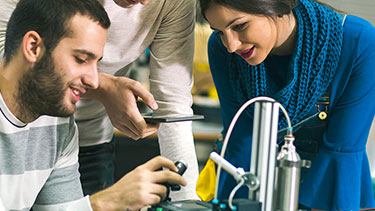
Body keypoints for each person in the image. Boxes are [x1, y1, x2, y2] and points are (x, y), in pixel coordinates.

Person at [0, 0, 199, 200]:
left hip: (77, 138)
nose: (145, 2)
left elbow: (173, 103)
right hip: (21, 126)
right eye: (80, 59)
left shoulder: (175, 3)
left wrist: (187, 201)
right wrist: (104, 89)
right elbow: (11, 54)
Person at [198, 0, 375, 210]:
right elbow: (241, 138)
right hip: (250, 181)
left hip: (327, 190)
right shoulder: (221, 50)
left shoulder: (358, 42)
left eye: (240, 26)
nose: (231, 45)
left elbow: (341, 148)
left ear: (278, 7)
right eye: (219, 31)